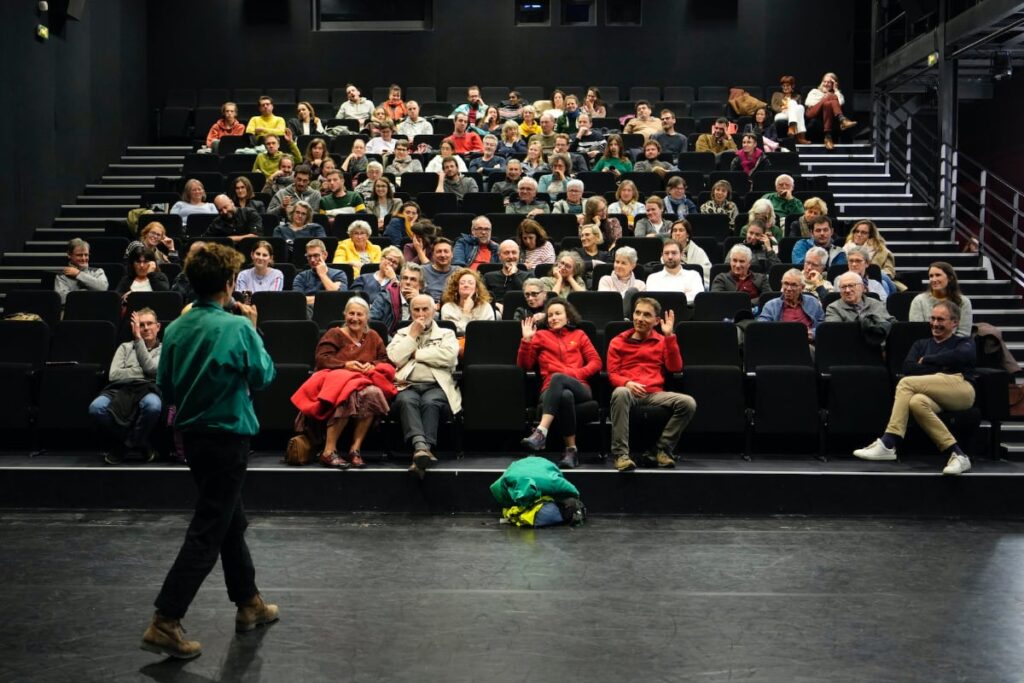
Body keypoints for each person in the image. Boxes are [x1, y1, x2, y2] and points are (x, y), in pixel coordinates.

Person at [142, 243, 277, 660]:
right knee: (209, 528)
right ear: (228, 283)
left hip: (193, 439)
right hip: (228, 436)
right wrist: (253, 327)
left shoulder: (177, 329)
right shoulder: (236, 328)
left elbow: (165, 386)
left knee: (228, 522)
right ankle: (166, 619)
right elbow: (264, 376)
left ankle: (249, 602)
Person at [853, 300, 976, 474]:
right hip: (933, 392)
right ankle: (958, 455)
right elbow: (909, 368)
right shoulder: (921, 344)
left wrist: (927, 360)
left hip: (961, 389)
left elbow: (963, 356)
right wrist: (943, 365)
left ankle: (889, 441)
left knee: (905, 383)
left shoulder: (963, 342)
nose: (935, 324)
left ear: (954, 322)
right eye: (932, 319)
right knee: (916, 402)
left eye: (940, 320)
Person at [293, 297, 395, 469]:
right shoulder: (335, 334)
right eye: (351, 313)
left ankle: (355, 450)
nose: (355, 318)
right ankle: (328, 451)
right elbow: (322, 359)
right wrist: (345, 364)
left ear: (367, 317)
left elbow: (383, 360)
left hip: (363, 380)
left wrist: (372, 365)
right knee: (348, 394)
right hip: (336, 378)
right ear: (345, 315)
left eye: (359, 314)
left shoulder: (373, 336)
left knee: (373, 393)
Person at [607, 297, 696, 471]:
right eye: (637, 313)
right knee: (620, 392)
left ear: (656, 321)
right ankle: (621, 455)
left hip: (654, 394)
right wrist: (627, 383)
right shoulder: (618, 341)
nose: (640, 318)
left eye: (646, 315)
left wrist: (669, 336)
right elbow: (612, 374)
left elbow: (675, 367)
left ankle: (661, 449)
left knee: (688, 403)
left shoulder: (662, 341)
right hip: (629, 393)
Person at [518, 298, 603, 468]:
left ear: (568, 317)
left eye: (558, 314)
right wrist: (526, 341)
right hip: (549, 391)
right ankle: (571, 451)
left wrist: (574, 373)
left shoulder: (579, 335)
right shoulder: (541, 336)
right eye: (550, 315)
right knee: (564, 395)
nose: (553, 318)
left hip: (580, 387)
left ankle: (541, 431)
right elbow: (524, 365)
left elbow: (596, 362)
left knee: (558, 376)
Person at [388, 293, 461, 476]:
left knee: (430, 403)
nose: (421, 314)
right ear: (410, 312)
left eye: (425, 309)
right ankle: (422, 449)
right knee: (407, 401)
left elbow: (449, 356)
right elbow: (395, 358)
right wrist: (412, 336)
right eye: (416, 310)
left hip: (436, 386)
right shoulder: (402, 333)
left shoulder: (447, 333)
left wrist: (415, 354)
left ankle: (420, 450)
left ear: (434, 310)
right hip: (407, 385)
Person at [89, 308, 163, 464]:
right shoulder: (125, 347)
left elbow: (154, 371)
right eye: (141, 325)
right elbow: (114, 375)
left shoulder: (164, 350)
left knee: (153, 406)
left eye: (150, 324)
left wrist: (138, 342)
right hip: (121, 389)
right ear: (135, 327)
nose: (145, 328)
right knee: (96, 408)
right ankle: (140, 443)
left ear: (158, 327)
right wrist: (143, 372)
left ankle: (123, 447)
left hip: (147, 389)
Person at [824, 272, 896, 346]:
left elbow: (892, 325)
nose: (847, 290)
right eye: (843, 287)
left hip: (878, 350)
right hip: (850, 350)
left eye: (851, 286)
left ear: (862, 287)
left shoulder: (875, 304)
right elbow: (836, 334)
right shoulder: (833, 308)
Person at [757, 269, 824, 342]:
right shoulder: (771, 305)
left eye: (794, 285)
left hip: (806, 343)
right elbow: (761, 327)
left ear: (802, 287)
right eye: (786, 283)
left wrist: (812, 334)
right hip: (780, 343)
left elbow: (822, 325)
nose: (788, 289)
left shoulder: (813, 302)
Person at [909, 261, 974, 336]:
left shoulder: (964, 302)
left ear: (950, 278)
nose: (933, 279)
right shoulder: (918, 301)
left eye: (938, 275)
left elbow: (964, 333)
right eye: (931, 276)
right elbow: (917, 332)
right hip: (927, 345)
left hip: (956, 345)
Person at [805, 72, 857, 150]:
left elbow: (841, 102)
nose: (826, 84)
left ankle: (828, 137)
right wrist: (825, 97)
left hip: (828, 117)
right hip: (813, 113)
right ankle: (843, 120)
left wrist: (836, 90)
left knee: (828, 105)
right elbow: (808, 103)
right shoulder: (814, 91)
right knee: (829, 98)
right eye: (824, 81)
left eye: (829, 82)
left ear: (833, 84)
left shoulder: (836, 94)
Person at [371, 263, 426, 336]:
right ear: (400, 281)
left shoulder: (425, 301)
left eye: (413, 279)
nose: (408, 282)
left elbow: (430, 324)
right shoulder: (384, 298)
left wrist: (418, 302)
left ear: (420, 285)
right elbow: (372, 324)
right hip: (388, 342)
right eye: (405, 278)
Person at [440, 267, 496, 336]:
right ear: (457, 287)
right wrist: (466, 313)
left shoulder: (485, 306)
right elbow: (455, 332)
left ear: (476, 288)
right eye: (462, 283)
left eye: (470, 283)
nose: (466, 285)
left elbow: (489, 331)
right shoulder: (448, 307)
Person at [292, 239, 348, 306]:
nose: (312, 260)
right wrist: (327, 298)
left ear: (325, 254)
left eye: (316, 255)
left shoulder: (339, 274)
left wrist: (322, 275)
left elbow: (338, 297)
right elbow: (298, 300)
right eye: (309, 256)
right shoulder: (301, 277)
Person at [845, 219, 899, 284]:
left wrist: (870, 274)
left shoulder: (882, 251)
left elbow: (889, 272)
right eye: (857, 231)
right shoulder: (845, 249)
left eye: (863, 232)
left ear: (870, 235)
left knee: (883, 280)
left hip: (879, 281)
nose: (859, 234)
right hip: (851, 281)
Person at [55, 238, 109, 303]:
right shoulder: (61, 276)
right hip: (73, 311)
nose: (84, 258)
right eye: (79, 255)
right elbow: (63, 299)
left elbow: (103, 288)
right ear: (69, 255)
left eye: (86, 255)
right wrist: (89, 293)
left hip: (95, 309)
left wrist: (78, 274)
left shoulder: (97, 271)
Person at [670, 219, 712, 287]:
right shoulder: (666, 251)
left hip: (693, 283)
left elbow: (707, 270)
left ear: (687, 234)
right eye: (674, 230)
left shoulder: (698, 251)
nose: (677, 233)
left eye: (681, 230)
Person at [771, 75, 810, 144]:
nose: (785, 87)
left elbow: (799, 111)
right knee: (793, 103)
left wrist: (789, 108)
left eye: (788, 85)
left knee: (800, 107)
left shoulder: (797, 96)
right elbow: (773, 106)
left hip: (792, 115)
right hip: (781, 114)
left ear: (792, 86)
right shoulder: (776, 94)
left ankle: (793, 129)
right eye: (784, 86)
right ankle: (800, 136)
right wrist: (782, 109)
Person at [422, 237, 455, 302]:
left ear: (452, 254)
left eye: (446, 251)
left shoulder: (459, 272)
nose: (443, 255)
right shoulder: (422, 271)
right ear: (433, 255)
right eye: (439, 251)